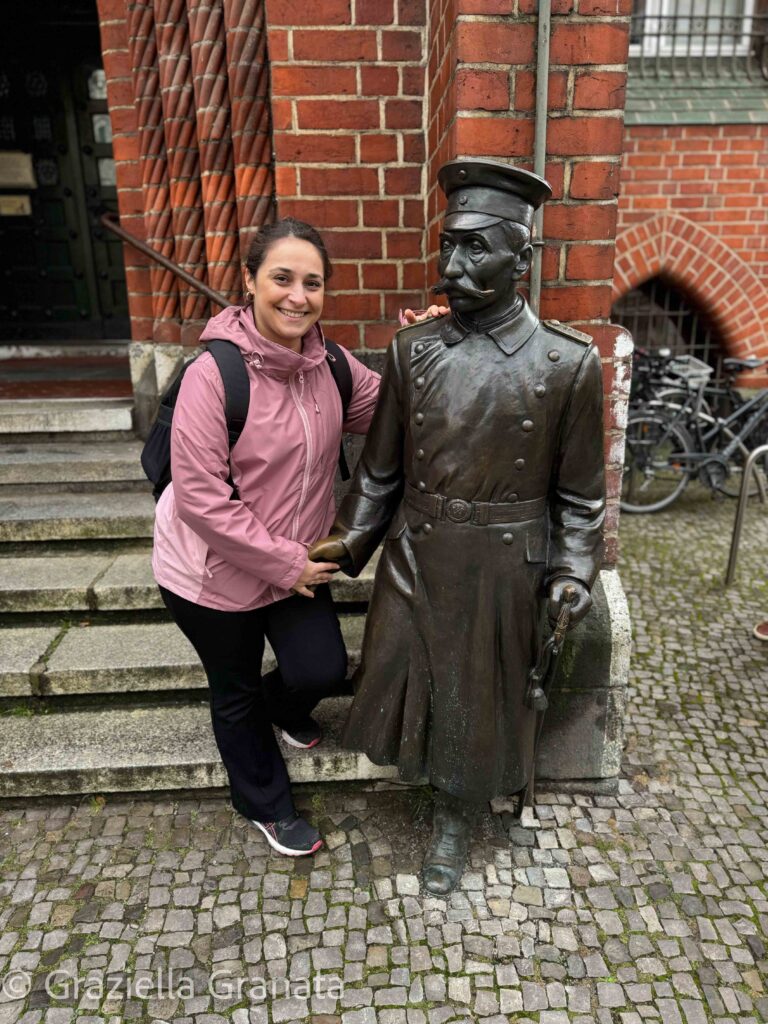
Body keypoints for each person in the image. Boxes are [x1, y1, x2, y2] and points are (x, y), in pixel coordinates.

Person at [310, 159, 606, 893]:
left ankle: (455, 815)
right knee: (405, 679)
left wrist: (573, 573)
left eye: (476, 248)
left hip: (504, 561)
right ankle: (423, 777)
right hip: (418, 549)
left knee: (478, 698)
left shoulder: (567, 364)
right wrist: (351, 539)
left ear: (521, 256)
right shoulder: (414, 353)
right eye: (449, 245)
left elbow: (580, 497)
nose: (453, 265)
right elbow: (379, 470)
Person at [151, 217, 383, 857]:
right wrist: (288, 563)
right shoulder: (213, 374)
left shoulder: (330, 364)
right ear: (249, 282)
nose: (297, 296)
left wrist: (432, 345)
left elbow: (396, 409)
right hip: (209, 573)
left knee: (320, 668)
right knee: (236, 691)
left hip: (294, 563)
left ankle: (285, 711)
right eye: (281, 278)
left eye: (312, 283)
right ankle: (267, 805)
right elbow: (201, 500)